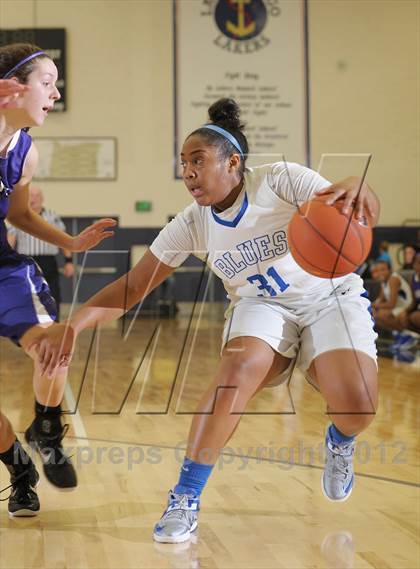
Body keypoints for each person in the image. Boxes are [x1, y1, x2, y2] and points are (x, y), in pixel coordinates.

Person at [34, 98, 380, 543]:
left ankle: (341, 439)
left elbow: (350, 213)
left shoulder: (280, 179)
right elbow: (134, 285)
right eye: (182, 164)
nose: (188, 172)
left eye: (197, 161)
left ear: (233, 161)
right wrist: (74, 324)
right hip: (261, 306)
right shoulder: (190, 224)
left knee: (356, 406)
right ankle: (185, 495)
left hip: (329, 295)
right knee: (234, 373)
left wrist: (357, 186)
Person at [0, 43, 115, 517]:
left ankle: (46, 428)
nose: (56, 92)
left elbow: (20, 213)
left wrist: (69, 242)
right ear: (11, 88)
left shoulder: (25, 151)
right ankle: (18, 467)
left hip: (2, 270)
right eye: (47, 82)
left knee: (53, 342)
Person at [7, 185, 74, 321]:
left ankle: (54, 327)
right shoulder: (19, 216)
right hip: (28, 262)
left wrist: (68, 262)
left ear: (42, 199)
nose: (34, 198)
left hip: (49, 261)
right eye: (31, 195)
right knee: (28, 296)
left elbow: (63, 239)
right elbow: (11, 241)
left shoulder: (52, 216)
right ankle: (31, 328)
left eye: (37, 195)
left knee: (52, 295)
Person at [371, 260, 415, 350]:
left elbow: (391, 304)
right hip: (397, 307)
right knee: (374, 314)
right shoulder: (384, 282)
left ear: (390, 270)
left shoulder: (393, 279)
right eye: (378, 270)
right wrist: (372, 306)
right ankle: (401, 337)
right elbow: (380, 300)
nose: (380, 273)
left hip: (406, 307)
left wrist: (375, 306)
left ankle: (409, 336)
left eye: (383, 270)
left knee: (380, 314)